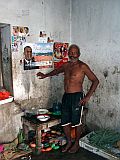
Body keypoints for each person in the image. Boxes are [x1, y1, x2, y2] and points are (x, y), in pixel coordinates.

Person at [36, 44, 99, 153]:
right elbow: (56, 71)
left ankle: (76, 143)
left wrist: (87, 97)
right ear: (68, 54)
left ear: (79, 54)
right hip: (66, 96)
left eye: (75, 53)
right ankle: (69, 141)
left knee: (77, 122)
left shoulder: (82, 66)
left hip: (77, 97)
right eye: (71, 52)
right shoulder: (66, 65)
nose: (72, 54)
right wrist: (46, 75)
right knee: (65, 121)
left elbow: (95, 80)